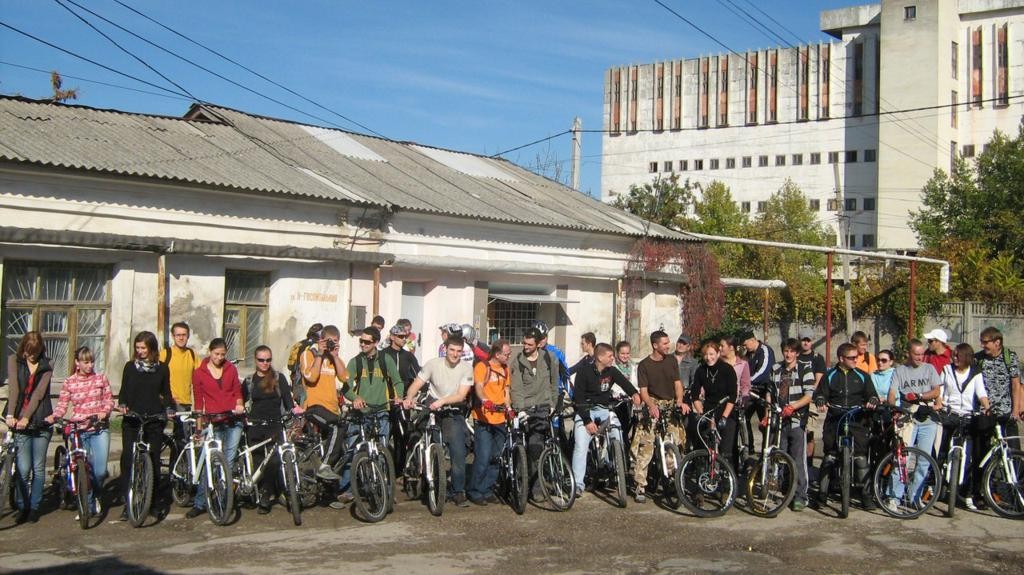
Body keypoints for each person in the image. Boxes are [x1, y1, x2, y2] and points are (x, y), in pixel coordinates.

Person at [334, 326, 403, 508]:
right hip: (360, 414)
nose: (363, 344)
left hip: (381, 412)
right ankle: (347, 490)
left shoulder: (386, 359)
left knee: (381, 453)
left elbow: (397, 381)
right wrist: (355, 398)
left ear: (376, 343)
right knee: (353, 451)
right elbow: (346, 386)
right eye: (361, 341)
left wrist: (399, 396)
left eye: (367, 342)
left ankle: (385, 490)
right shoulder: (355, 362)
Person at [403, 337, 474, 507]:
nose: (455, 354)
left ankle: (458, 491)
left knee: (457, 450)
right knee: (423, 440)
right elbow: (416, 384)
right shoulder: (433, 364)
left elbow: (461, 395)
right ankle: (424, 479)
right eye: (452, 350)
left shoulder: (466, 368)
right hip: (432, 406)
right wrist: (409, 398)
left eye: (458, 351)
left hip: (452, 409)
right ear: (445, 349)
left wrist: (442, 402)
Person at [46, 346, 114, 519]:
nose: (90, 365)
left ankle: (97, 494)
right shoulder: (69, 382)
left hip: (99, 429)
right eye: (86, 362)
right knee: (85, 469)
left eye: (91, 362)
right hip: (79, 430)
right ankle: (87, 505)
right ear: (77, 363)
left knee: (99, 471)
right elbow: (62, 405)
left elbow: (109, 400)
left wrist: (104, 412)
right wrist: (54, 417)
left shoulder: (100, 379)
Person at [813, 343, 879, 509]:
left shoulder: (863, 375)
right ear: (841, 358)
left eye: (856, 357)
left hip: (856, 419)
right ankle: (822, 496)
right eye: (851, 357)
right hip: (835, 418)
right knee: (829, 457)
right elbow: (820, 393)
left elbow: (873, 395)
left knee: (861, 458)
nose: (855, 360)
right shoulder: (830, 375)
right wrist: (820, 400)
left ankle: (866, 496)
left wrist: (872, 400)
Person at [572, 342, 641, 497]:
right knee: (580, 446)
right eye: (610, 356)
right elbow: (578, 398)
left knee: (617, 433)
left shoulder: (612, 371)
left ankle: (614, 468)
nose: (612, 358)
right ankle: (578, 484)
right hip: (586, 411)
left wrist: (634, 394)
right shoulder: (584, 372)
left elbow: (626, 384)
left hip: (604, 410)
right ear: (600, 357)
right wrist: (587, 421)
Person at [116, 331, 172, 522]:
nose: (140, 351)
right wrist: (122, 405)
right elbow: (123, 392)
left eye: (143, 348)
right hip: (133, 419)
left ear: (152, 349)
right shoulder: (130, 367)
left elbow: (166, 393)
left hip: (154, 420)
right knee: (128, 460)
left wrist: (170, 408)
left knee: (154, 461)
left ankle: (153, 502)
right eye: (137, 348)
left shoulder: (162, 368)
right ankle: (128, 502)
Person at [187, 338, 245, 519]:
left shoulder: (231, 369)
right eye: (216, 354)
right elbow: (198, 400)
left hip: (233, 419)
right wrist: (198, 428)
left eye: (222, 354)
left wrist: (240, 405)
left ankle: (224, 499)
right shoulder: (199, 373)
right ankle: (200, 502)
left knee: (228, 460)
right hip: (214, 421)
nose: (219, 358)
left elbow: (237, 391)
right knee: (211, 463)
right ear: (210, 352)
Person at [242, 345, 302, 514]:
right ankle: (263, 493)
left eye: (268, 360)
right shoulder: (248, 381)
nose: (265, 363)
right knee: (260, 461)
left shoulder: (278, 378)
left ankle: (269, 493)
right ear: (255, 360)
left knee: (275, 461)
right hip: (255, 426)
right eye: (261, 360)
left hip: (275, 425)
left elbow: (287, 400)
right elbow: (241, 401)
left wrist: (294, 411)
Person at [884, 339, 943, 511]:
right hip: (907, 418)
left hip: (927, 419)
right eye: (916, 354)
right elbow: (892, 392)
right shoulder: (900, 371)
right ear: (908, 354)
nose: (919, 357)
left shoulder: (929, 369)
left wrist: (918, 395)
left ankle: (915, 496)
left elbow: (936, 390)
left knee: (924, 460)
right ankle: (894, 497)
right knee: (902, 459)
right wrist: (893, 406)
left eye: (922, 354)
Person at [4, 331, 54, 523]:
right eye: (27, 351)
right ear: (23, 347)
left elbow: (39, 394)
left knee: (38, 467)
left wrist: (26, 417)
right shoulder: (13, 360)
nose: (29, 356)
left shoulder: (47, 365)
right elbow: (14, 388)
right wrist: (11, 414)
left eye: (34, 352)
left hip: (41, 419)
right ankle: (21, 505)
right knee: (23, 469)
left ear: (40, 350)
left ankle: (34, 507)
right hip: (19, 420)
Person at [631, 331, 686, 503]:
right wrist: (651, 406)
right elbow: (643, 391)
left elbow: (678, 384)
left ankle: (673, 482)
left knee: (675, 445)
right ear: (655, 345)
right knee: (646, 449)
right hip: (653, 406)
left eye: (668, 343)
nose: (668, 346)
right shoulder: (644, 365)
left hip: (670, 406)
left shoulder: (671, 361)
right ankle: (640, 485)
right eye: (664, 343)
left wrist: (680, 401)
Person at [510, 327, 561, 499]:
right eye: (524, 343)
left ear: (539, 344)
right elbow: (516, 388)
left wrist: (553, 404)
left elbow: (555, 383)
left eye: (529, 344)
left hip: (544, 406)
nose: (525, 346)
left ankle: (538, 487)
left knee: (537, 447)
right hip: (527, 409)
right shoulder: (517, 361)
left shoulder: (550, 358)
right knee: (525, 447)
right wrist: (520, 409)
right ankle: (523, 484)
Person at [939, 343, 990, 511]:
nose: (954, 358)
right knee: (942, 451)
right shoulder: (946, 370)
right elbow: (940, 391)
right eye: (953, 355)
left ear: (966, 357)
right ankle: (937, 486)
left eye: (957, 355)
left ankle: (967, 494)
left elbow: (981, 393)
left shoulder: (975, 373)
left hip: (969, 416)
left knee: (970, 456)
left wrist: (986, 407)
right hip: (950, 414)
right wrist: (938, 403)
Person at [769, 339, 815, 511]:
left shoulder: (805, 369)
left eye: (791, 351)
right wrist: (769, 411)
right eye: (786, 351)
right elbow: (770, 392)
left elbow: (809, 395)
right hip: (779, 421)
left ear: (797, 353)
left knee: (798, 459)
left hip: (796, 421)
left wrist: (792, 407)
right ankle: (784, 490)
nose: (788, 354)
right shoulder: (775, 369)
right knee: (780, 456)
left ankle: (801, 496)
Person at [299, 324, 347, 481]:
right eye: (329, 341)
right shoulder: (309, 354)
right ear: (321, 340)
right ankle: (323, 467)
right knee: (337, 426)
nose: (331, 344)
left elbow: (344, 377)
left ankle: (327, 491)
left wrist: (335, 355)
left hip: (332, 409)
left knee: (338, 447)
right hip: (314, 406)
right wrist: (320, 353)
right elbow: (311, 377)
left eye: (335, 341)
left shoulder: (333, 358)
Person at [468, 340, 512, 505]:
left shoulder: (505, 369)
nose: (509, 356)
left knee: (496, 456)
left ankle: (487, 488)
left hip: (500, 418)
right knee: (483, 455)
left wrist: (508, 407)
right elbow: (479, 386)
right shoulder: (482, 367)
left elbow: (506, 391)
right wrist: (485, 400)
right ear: (497, 354)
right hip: (483, 418)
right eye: (507, 354)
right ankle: (474, 490)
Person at [686, 341, 738, 468]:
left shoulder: (727, 369)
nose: (708, 358)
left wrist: (724, 417)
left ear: (718, 353)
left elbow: (732, 395)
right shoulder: (701, 370)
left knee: (726, 450)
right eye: (706, 355)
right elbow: (695, 394)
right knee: (704, 443)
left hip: (726, 408)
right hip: (710, 409)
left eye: (711, 354)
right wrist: (702, 412)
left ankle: (729, 476)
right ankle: (705, 472)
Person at [382, 323, 421, 478]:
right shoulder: (383, 354)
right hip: (385, 401)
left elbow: (418, 376)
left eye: (405, 336)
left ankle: (398, 471)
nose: (403, 339)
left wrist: (414, 393)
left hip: (402, 402)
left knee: (401, 436)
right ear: (392, 337)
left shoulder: (408, 356)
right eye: (400, 336)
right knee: (383, 436)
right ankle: (381, 468)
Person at [975, 326, 1022, 450]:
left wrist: (1016, 410)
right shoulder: (978, 359)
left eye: (985, 342)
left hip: (1006, 412)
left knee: (1013, 451)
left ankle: (1014, 469)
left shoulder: (1009, 357)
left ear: (997, 342)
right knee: (982, 452)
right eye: (981, 341)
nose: (982, 345)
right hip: (985, 412)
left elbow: (1016, 384)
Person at [160, 321, 199, 454]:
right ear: (173, 336)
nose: (181, 338)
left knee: (182, 441)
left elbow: (200, 377)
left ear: (188, 336)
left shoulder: (192, 355)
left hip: (185, 404)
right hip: (168, 403)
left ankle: (176, 471)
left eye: (184, 335)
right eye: (178, 335)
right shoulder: (165, 354)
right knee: (163, 438)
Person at [741, 330, 775, 458]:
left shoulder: (765, 351)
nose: (745, 348)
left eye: (745, 344)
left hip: (763, 392)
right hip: (750, 393)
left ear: (752, 339)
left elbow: (764, 371)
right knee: (743, 418)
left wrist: (747, 382)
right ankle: (748, 449)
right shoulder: (748, 354)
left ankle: (766, 454)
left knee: (765, 423)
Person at [720, 335, 750, 464]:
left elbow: (745, 385)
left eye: (722, 346)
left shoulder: (742, 364)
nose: (720, 348)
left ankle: (732, 471)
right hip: (719, 402)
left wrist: (743, 398)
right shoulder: (717, 362)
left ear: (731, 347)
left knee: (731, 441)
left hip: (734, 405)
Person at [532, 320, 571, 398]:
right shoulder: (527, 352)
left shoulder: (556, 353)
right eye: (537, 337)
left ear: (547, 337)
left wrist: (572, 397)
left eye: (542, 337)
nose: (540, 340)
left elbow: (565, 376)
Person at [286, 323, 322, 406]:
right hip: (306, 384)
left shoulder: (299, 344)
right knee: (305, 409)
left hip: (295, 382)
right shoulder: (315, 347)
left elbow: (290, 366)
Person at [612, 341, 638, 452]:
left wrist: (635, 392)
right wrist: (616, 393)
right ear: (617, 353)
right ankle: (620, 451)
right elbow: (612, 384)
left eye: (627, 353)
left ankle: (628, 450)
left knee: (632, 424)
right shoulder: (613, 366)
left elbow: (635, 383)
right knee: (620, 427)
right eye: (622, 353)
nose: (625, 356)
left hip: (630, 400)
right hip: (617, 401)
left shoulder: (633, 366)